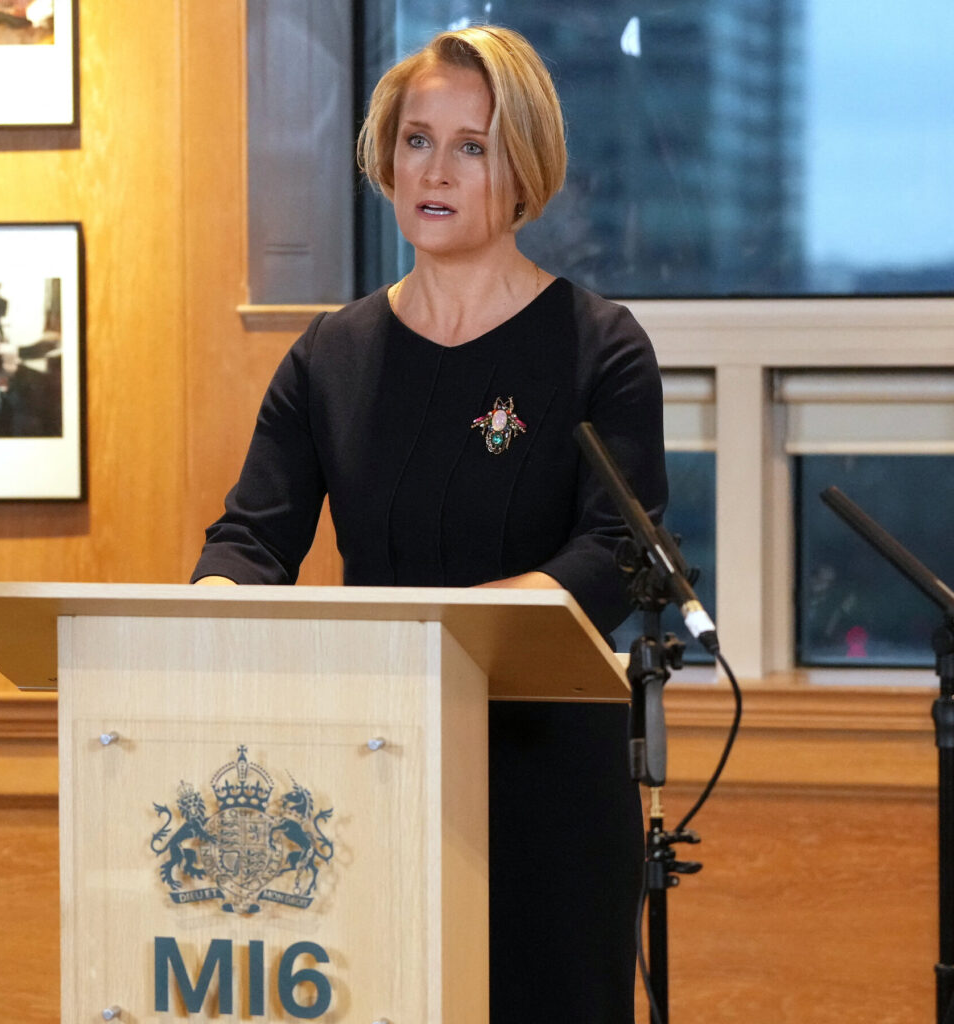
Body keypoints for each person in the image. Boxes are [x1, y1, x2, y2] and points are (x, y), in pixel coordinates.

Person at [193, 24, 667, 1023]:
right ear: (386, 157)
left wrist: (459, 632)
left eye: (470, 145)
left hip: (549, 781)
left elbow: (616, 551)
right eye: (416, 140)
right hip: (373, 767)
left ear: (523, 166)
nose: (435, 170)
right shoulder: (331, 355)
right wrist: (209, 607)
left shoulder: (599, 347)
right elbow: (252, 536)